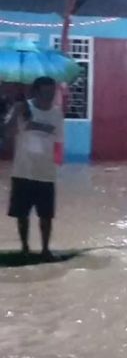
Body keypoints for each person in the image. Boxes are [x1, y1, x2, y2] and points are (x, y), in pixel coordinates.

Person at [5, 77, 64, 259]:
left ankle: (45, 249)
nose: (49, 96)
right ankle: (25, 248)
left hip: (46, 174)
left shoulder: (56, 114)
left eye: (52, 92)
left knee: (46, 216)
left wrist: (57, 167)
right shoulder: (23, 109)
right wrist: (16, 112)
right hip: (23, 171)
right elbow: (6, 135)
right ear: (36, 92)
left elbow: (59, 143)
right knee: (22, 215)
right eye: (45, 92)